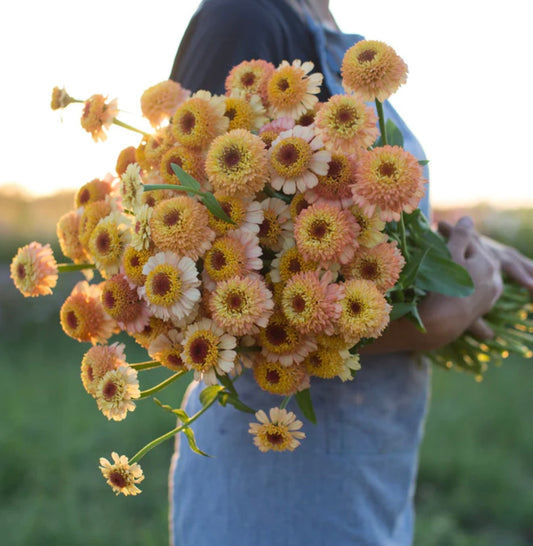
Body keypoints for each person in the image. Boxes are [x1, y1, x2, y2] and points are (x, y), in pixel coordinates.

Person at [167, 1, 533, 544]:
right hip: (278, 473)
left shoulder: (328, 29)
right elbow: (202, 292)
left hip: (362, 460)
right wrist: (438, 318)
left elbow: (349, 217)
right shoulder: (243, 17)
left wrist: (450, 250)